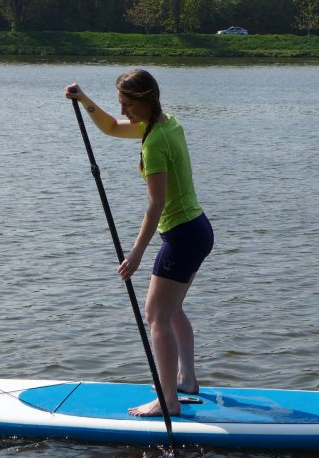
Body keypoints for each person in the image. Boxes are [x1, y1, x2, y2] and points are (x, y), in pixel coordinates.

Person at [64, 70, 214, 417]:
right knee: (172, 310)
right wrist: (85, 100)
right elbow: (113, 128)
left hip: (182, 235)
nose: (125, 111)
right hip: (197, 229)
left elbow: (156, 203)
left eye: (128, 105)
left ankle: (168, 401)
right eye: (121, 104)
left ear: (146, 100)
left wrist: (136, 252)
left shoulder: (155, 141)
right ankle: (186, 380)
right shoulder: (166, 123)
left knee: (155, 315)